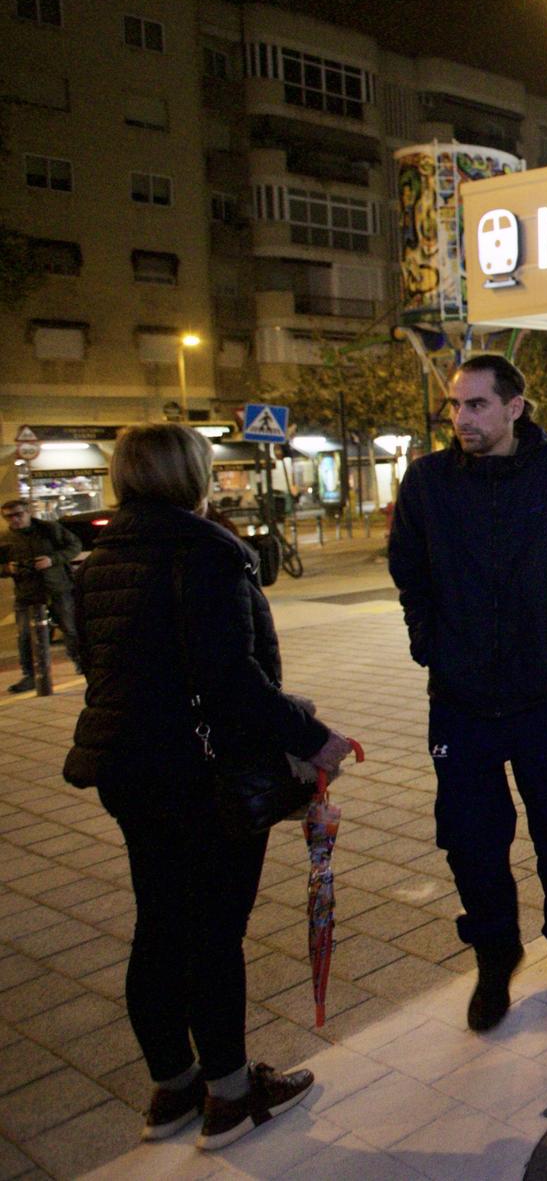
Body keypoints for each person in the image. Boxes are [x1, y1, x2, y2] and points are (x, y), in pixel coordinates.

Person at [63, 424, 351, 1150]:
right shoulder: (206, 553)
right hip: (201, 771)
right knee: (215, 931)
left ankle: (172, 1086)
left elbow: (102, 664)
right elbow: (231, 680)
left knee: (159, 923)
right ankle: (229, 1093)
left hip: (126, 768)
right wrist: (311, 736)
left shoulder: (97, 561)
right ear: (190, 473)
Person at [389, 354, 547, 1031]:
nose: (462, 419)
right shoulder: (428, 481)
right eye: (455, 406)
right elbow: (408, 569)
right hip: (460, 701)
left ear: (515, 406)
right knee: (472, 843)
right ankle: (495, 956)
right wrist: (430, 642)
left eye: (477, 405)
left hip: (545, 696)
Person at [4, 497, 82, 690]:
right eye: (9, 517)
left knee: (70, 629)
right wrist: (8, 568)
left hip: (56, 587)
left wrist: (52, 560)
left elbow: (74, 546)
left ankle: (83, 664)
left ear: (28, 512)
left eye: (18, 514)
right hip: (27, 592)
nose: (15, 520)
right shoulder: (5, 540)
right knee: (24, 635)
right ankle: (30, 675)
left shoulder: (49, 530)